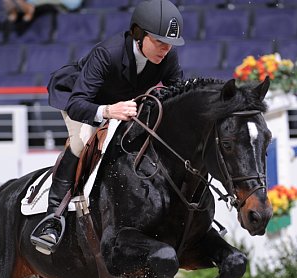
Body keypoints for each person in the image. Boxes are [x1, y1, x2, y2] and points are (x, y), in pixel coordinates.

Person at [30, 0, 185, 254]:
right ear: (138, 34)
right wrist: (108, 111)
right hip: (80, 99)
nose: (166, 49)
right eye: (160, 42)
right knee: (82, 140)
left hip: (122, 103)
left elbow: (176, 91)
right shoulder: (108, 53)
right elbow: (78, 103)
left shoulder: (167, 55)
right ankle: (53, 218)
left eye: (169, 44)